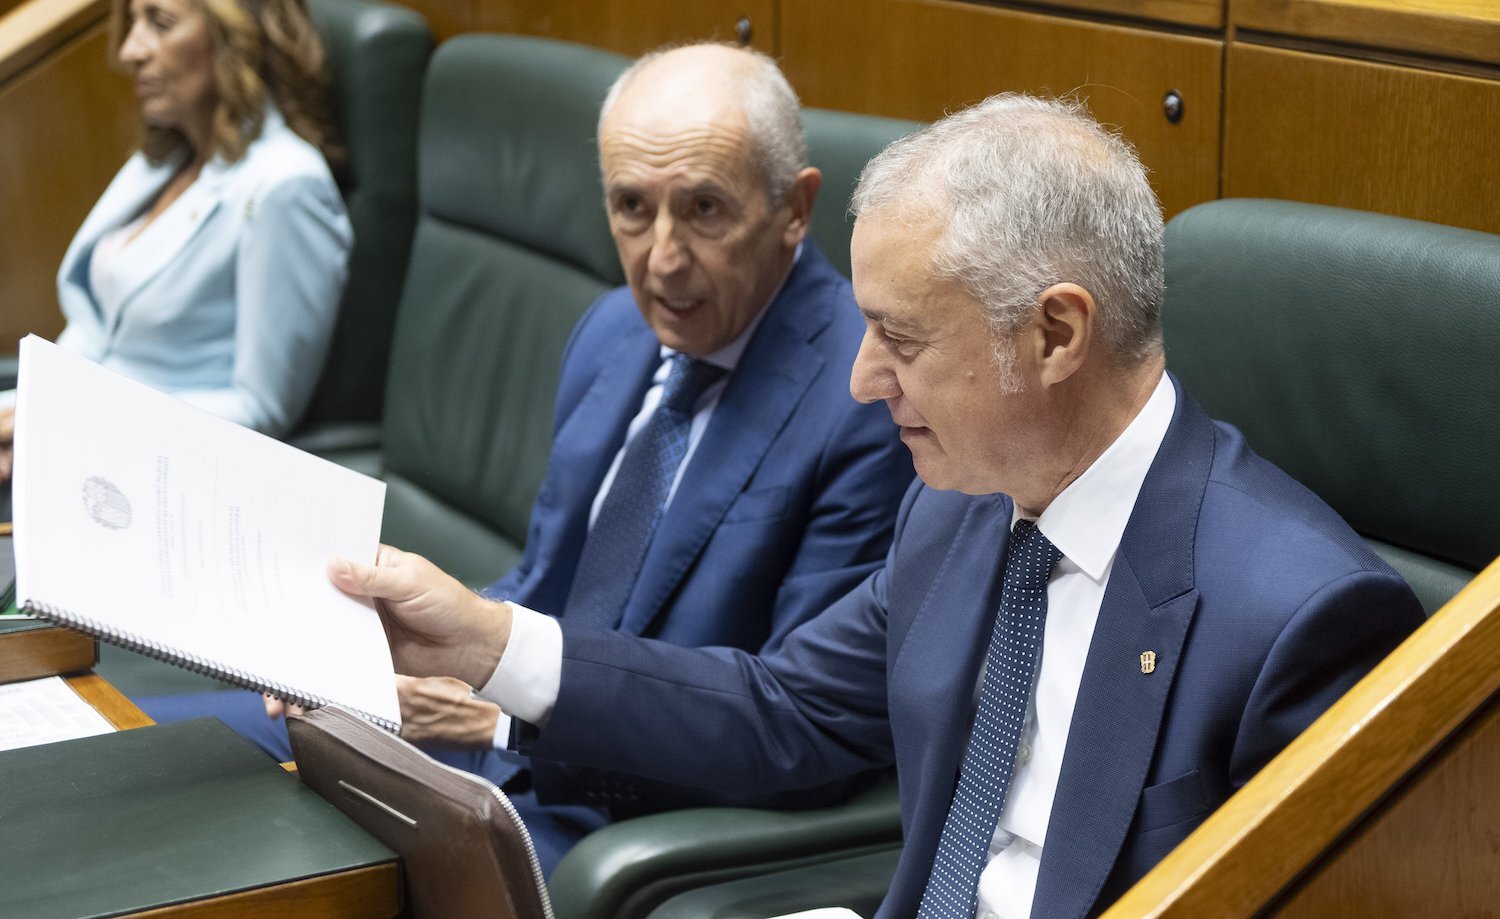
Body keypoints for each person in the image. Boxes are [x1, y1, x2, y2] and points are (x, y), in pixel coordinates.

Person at [328, 94, 1426, 918]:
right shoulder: (961, 506)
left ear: (1055, 335)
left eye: (899, 338)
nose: (860, 380)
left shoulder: (1302, 620)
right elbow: (783, 709)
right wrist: (486, 641)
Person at [147, 42, 913, 873]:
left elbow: (796, 728)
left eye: (704, 210)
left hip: (612, 808)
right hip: (473, 738)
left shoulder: (865, 399)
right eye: (630, 206)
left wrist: (502, 716)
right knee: (148, 760)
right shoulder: (615, 331)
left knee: (229, 866)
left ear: (794, 208)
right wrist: (371, 659)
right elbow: (548, 582)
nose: (661, 259)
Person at [0, 0, 352, 483]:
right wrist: (33, 409)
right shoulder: (169, 153)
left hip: (153, 468)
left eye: (160, 23)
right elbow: (98, 325)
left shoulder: (285, 187)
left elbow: (262, 410)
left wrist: (76, 421)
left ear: (238, 37)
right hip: (66, 430)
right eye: (133, 21)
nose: (129, 50)